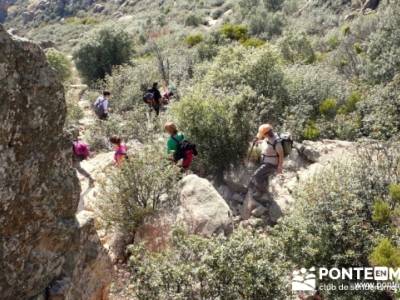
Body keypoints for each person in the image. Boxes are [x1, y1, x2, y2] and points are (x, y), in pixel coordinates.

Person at [249, 124, 284, 197]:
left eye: (263, 134)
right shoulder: (268, 137)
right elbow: (266, 142)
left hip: (271, 164)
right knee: (264, 176)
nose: (262, 136)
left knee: (257, 175)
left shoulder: (276, 142)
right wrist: (258, 141)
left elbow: (281, 154)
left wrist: (280, 167)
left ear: (266, 134)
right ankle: (265, 190)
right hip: (266, 161)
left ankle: (261, 192)